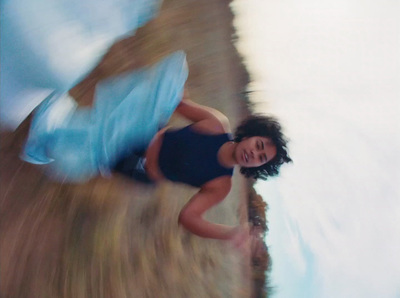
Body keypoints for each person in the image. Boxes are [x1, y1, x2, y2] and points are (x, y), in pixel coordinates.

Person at [21, 51, 291, 247]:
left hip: (137, 167)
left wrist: (229, 233)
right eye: (258, 145)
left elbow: (188, 218)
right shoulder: (216, 125)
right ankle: (59, 129)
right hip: (142, 133)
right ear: (250, 134)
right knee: (114, 121)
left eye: (260, 158)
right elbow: (177, 103)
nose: (254, 154)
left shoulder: (221, 185)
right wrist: (168, 88)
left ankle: (52, 142)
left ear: (258, 167)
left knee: (76, 152)